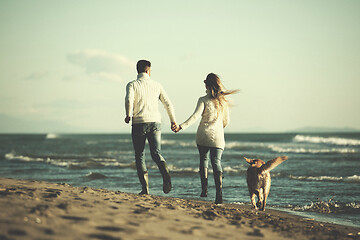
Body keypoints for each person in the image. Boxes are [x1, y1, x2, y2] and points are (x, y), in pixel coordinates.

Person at [172, 73, 238, 204]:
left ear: (207, 85)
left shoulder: (203, 100)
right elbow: (227, 122)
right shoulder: (223, 102)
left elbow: (195, 116)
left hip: (203, 135)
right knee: (216, 162)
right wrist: (218, 127)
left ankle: (204, 189)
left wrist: (181, 127)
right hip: (218, 137)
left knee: (203, 160)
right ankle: (219, 194)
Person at [125, 60, 177, 195]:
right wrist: (173, 121)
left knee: (140, 155)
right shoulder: (157, 85)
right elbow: (168, 104)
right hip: (155, 122)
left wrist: (128, 115)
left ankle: (145, 189)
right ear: (148, 70)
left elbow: (129, 100)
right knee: (156, 153)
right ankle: (165, 174)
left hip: (138, 122)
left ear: (138, 70)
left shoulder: (132, 84)